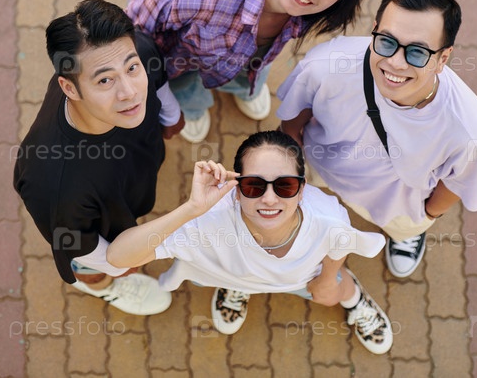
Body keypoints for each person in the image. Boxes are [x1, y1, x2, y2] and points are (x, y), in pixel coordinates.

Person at [278, 0, 477, 278]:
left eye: (417, 52)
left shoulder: (470, 129)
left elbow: (457, 181)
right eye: (387, 41)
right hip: (320, 169)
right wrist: (292, 174)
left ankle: (406, 234)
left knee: (406, 226)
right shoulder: (325, 65)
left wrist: (426, 215)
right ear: (374, 29)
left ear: (443, 58)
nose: (395, 63)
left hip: (400, 205)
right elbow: (292, 121)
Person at [106, 131, 394, 354]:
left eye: (285, 185)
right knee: (238, 276)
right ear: (237, 190)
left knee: (338, 289)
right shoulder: (209, 218)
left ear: (302, 190)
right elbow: (118, 257)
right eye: (254, 185)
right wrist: (191, 209)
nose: (269, 198)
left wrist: (328, 280)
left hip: (302, 278)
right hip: (234, 274)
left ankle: (355, 300)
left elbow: (340, 244)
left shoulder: (328, 216)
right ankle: (238, 288)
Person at [125, 0, 377, 143]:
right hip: (181, 63)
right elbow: (138, 40)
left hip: (244, 57)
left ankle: (243, 88)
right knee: (185, 86)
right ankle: (193, 107)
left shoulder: (305, 8)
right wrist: (166, 105)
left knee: (255, 64)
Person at [13, 0, 183, 315]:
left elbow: (156, 82)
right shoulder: (53, 184)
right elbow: (81, 245)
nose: (130, 92)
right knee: (90, 267)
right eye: (105, 80)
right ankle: (101, 286)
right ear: (70, 88)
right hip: (91, 232)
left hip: (132, 179)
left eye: (132, 68)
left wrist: (172, 117)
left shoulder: (139, 51)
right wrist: (117, 265)